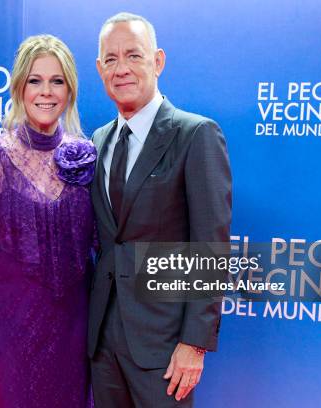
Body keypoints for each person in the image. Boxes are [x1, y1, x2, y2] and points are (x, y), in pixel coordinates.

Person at [88, 12, 232, 407]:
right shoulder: (97, 140)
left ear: (158, 60)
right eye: (111, 59)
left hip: (165, 346)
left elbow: (211, 246)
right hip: (102, 341)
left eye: (133, 55)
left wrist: (194, 344)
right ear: (100, 69)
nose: (122, 69)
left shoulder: (195, 134)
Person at [0, 34, 96, 408]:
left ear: (70, 90)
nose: (46, 92)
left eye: (57, 81)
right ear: (18, 88)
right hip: (12, 325)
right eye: (35, 80)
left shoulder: (88, 159)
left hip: (73, 325)